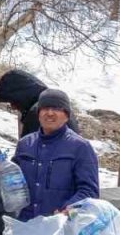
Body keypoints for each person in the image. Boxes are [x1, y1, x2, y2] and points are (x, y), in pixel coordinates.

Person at [13, 89, 99, 221]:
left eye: (56, 109)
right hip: (26, 225)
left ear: (66, 115)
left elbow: (89, 191)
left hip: (60, 229)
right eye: (45, 108)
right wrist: (0, 169)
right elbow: (14, 182)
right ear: (38, 113)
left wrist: (66, 211)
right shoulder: (25, 144)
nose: (50, 113)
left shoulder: (80, 147)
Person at [0, 68, 79, 137]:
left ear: (22, 96)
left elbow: (30, 151)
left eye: (13, 101)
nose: (13, 107)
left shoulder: (37, 112)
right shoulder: (55, 105)